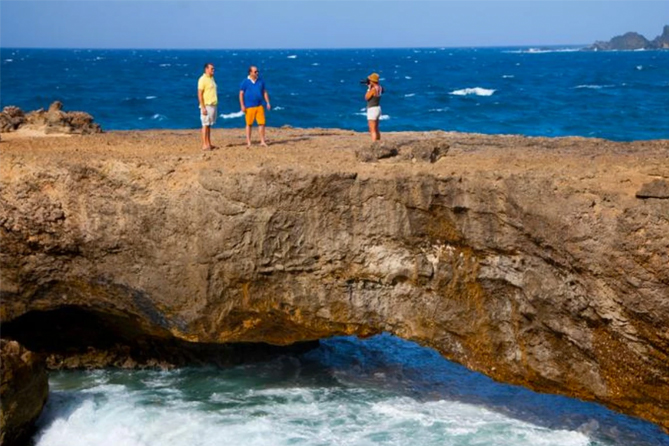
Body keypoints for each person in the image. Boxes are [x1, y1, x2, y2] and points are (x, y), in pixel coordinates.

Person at [239, 66, 271, 147]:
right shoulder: (245, 82)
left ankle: (262, 141)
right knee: (249, 124)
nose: (257, 73)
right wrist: (242, 105)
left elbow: (264, 92)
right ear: (250, 72)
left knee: (262, 123)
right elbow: (241, 94)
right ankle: (249, 142)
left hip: (259, 105)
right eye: (255, 71)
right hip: (249, 106)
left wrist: (267, 102)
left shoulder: (261, 81)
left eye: (257, 71)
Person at [197, 63, 217, 151]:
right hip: (207, 105)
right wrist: (203, 107)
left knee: (209, 125)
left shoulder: (211, 78)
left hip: (213, 105)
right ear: (206, 69)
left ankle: (208, 143)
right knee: (205, 124)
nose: (213, 70)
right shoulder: (202, 79)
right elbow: (200, 94)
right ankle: (204, 144)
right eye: (211, 68)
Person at [364, 72, 383, 141]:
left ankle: (374, 144)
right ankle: (378, 142)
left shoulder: (373, 89)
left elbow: (366, 97)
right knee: (376, 128)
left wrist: (369, 89)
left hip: (372, 109)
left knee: (372, 129)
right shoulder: (380, 88)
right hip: (378, 108)